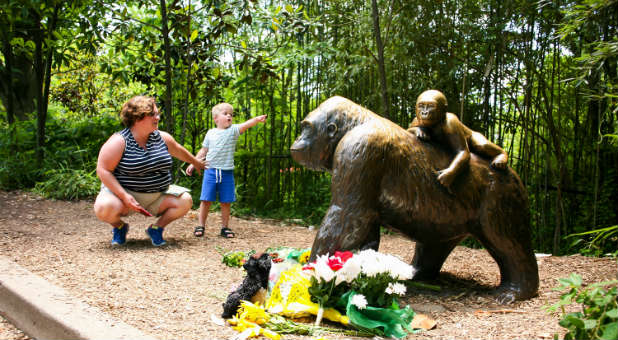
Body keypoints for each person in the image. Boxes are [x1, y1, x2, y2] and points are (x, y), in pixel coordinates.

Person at [94, 96, 205, 246]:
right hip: (124, 196)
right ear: (138, 117)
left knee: (185, 200)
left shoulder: (162, 137)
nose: (158, 117)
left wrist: (195, 162)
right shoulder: (119, 141)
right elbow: (103, 170)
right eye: (153, 114)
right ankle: (119, 227)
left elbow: (178, 150)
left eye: (158, 114)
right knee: (103, 207)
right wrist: (124, 196)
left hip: (156, 196)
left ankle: (156, 229)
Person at [186, 102, 267, 238]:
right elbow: (204, 150)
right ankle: (200, 225)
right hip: (210, 171)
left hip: (227, 172)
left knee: (226, 201)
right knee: (206, 200)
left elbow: (246, 124)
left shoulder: (233, 130)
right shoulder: (211, 133)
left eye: (231, 114)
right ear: (216, 118)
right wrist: (193, 163)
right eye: (225, 113)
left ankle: (225, 228)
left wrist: (257, 119)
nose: (229, 116)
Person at [408, 89, 508, 189]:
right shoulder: (418, 121)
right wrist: (416, 130)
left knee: (482, 145)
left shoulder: (449, 122)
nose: (424, 111)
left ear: (443, 109)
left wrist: (451, 172)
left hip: (470, 139)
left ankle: (501, 153)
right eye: (421, 106)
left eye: (431, 106)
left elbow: (463, 152)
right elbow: (407, 133)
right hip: (445, 147)